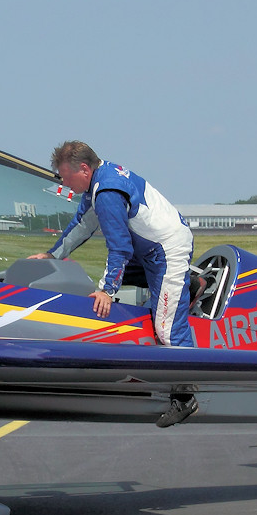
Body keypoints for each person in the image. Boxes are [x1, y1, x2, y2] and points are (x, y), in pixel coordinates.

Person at [28, 140, 198, 426]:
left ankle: (185, 399)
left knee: (166, 329)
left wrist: (107, 291)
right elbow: (83, 223)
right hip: (152, 247)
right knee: (115, 277)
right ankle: (188, 283)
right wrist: (52, 254)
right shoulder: (100, 178)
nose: (66, 185)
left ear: (83, 169)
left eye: (67, 178)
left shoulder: (106, 192)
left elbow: (119, 248)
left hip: (165, 250)